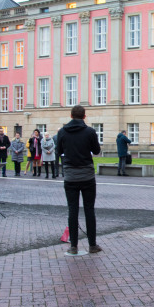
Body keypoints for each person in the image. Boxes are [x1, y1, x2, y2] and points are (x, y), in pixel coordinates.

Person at [57, 105, 102, 255]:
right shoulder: (90, 131)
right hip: (87, 175)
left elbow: (59, 151)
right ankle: (92, 245)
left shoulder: (62, 132)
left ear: (71, 116)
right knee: (89, 209)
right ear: (84, 116)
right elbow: (96, 150)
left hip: (70, 175)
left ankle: (73, 246)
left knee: (72, 210)